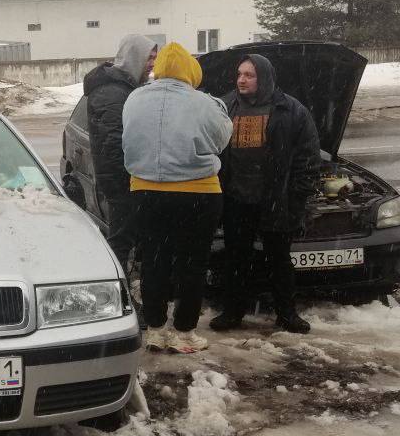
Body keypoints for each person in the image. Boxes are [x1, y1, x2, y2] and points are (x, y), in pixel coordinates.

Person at [121, 42, 233, 354]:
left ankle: (156, 329)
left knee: (154, 261)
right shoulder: (203, 102)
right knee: (192, 263)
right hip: (197, 193)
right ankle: (184, 332)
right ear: (190, 70)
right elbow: (223, 139)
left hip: (145, 192)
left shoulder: (134, 98)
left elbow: (127, 136)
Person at [209, 54, 319, 335]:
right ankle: (233, 312)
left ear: (264, 77)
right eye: (239, 74)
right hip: (236, 198)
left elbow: (307, 157)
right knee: (236, 258)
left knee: (279, 259)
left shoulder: (290, 110)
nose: (241, 80)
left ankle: (287, 314)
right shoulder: (225, 106)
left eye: (249, 75)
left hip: (275, 199)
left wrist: (296, 196)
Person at [82, 34, 158, 270]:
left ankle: (128, 283)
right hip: (121, 180)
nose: (153, 63)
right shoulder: (112, 92)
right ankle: (119, 290)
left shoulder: (123, 87)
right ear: (135, 57)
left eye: (155, 57)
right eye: (149, 58)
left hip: (125, 179)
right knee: (121, 241)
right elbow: (113, 141)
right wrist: (129, 180)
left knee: (128, 237)